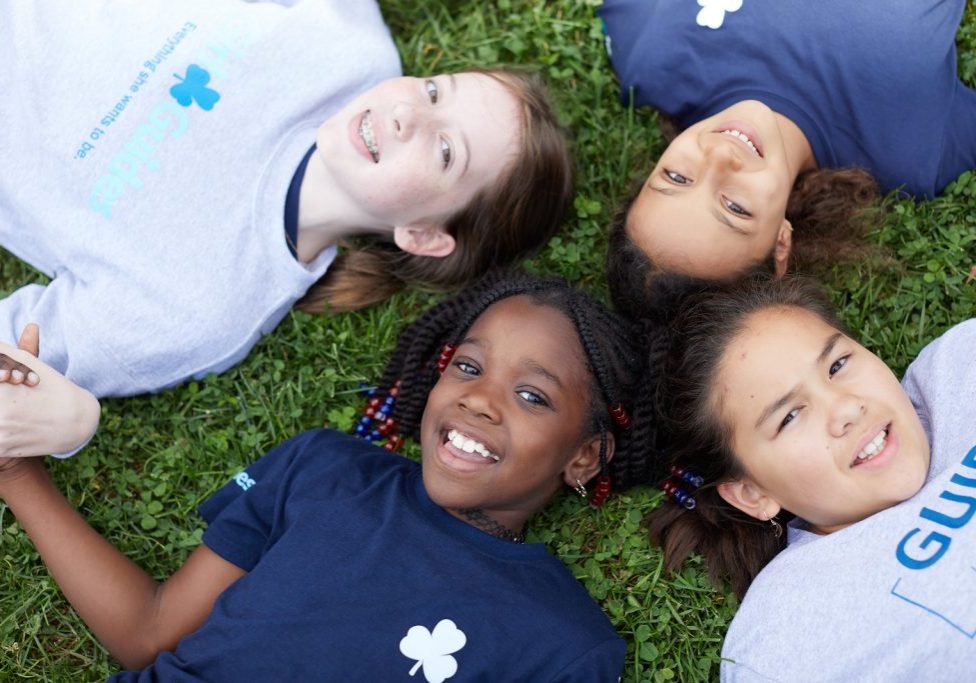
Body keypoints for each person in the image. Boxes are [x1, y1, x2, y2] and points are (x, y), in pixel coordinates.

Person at [0, 271, 660, 680]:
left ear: (584, 456)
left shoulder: (564, 644)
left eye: (533, 395)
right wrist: (19, 474)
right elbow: (149, 633)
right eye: (467, 366)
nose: (479, 398)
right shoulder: (323, 465)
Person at [0, 0, 573, 399]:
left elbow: (16, 356)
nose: (406, 113)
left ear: (423, 234)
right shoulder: (351, 49)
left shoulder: (200, 305)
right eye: (433, 90)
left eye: (446, 151)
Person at [643, 274, 976, 679]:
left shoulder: (960, 366)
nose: (847, 409)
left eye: (838, 364)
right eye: (790, 416)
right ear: (751, 493)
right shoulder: (785, 639)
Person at [598, 0, 976, 311]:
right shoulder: (913, 147)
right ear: (781, 243)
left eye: (676, 177)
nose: (720, 157)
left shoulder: (650, 57)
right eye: (734, 206)